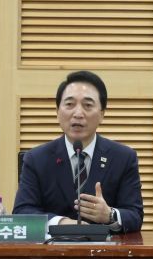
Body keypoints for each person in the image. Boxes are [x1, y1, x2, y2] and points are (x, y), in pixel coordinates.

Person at [13, 70, 144, 233]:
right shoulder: (36, 159)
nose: (78, 113)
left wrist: (109, 215)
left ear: (102, 114)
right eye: (69, 104)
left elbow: (135, 215)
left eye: (88, 105)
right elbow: (22, 212)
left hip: (106, 248)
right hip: (52, 248)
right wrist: (61, 223)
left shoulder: (123, 158)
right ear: (57, 112)